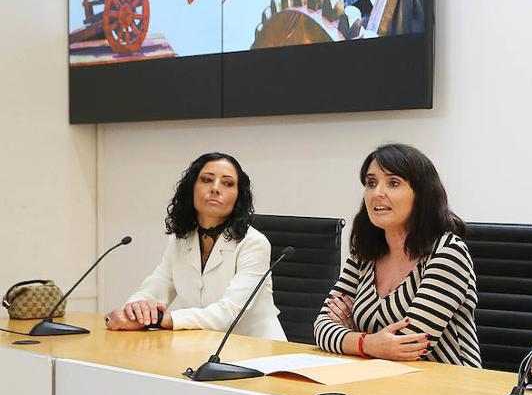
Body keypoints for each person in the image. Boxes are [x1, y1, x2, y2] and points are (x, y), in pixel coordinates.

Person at [314, 143, 480, 366]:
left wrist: (352, 331)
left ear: (422, 195)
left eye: (393, 183)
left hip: (447, 390)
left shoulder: (448, 251)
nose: (377, 193)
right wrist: (368, 343)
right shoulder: (365, 253)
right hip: (377, 381)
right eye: (371, 183)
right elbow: (321, 327)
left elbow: (410, 344)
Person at [105, 152, 285, 340]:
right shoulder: (181, 239)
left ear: (239, 196)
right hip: (201, 346)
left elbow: (230, 313)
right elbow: (158, 286)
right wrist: (137, 309)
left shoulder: (254, 243)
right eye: (207, 180)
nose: (215, 188)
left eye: (228, 183)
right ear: (191, 188)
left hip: (258, 353)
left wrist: (158, 320)